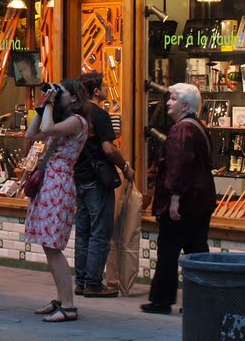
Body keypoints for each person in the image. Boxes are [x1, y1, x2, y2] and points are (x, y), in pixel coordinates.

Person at [141, 82, 216, 315]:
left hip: (184, 203)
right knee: (197, 251)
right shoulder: (198, 127)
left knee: (168, 250)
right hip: (200, 201)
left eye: (172, 99)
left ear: (185, 104)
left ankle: (161, 301)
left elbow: (178, 165)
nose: (168, 103)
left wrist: (174, 198)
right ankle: (201, 301)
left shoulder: (182, 129)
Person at [25, 79, 89, 323]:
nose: (56, 95)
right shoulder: (61, 120)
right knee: (48, 245)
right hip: (49, 183)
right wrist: (42, 106)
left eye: (61, 93)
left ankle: (69, 306)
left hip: (58, 184)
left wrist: (50, 105)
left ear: (73, 98)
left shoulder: (77, 122)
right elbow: (31, 134)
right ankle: (61, 299)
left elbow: (49, 129)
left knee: (53, 246)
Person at [73, 72, 134, 298]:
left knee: (83, 231)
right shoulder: (99, 115)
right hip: (98, 180)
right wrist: (126, 166)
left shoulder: (75, 114)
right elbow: (108, 148)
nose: (107, 88)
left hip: (79, 177)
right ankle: (93, 283)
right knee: (99, 232)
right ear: (96, 91)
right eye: (105, 85)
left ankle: (80, 281)